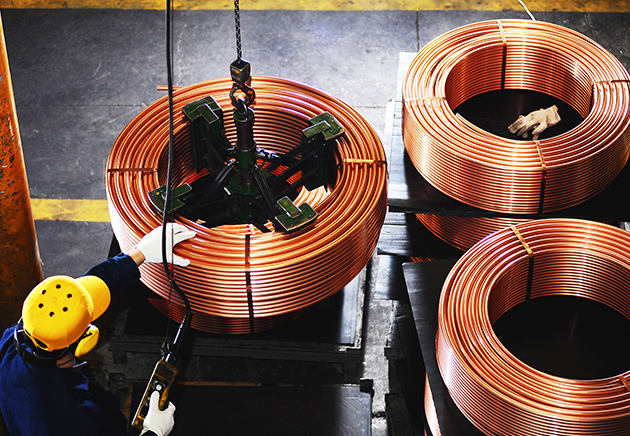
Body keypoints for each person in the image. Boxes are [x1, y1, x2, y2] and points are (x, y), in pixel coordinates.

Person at [0, 223, 196, 436]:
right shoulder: (83, 419)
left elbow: (82, 292)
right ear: (86, 338)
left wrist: (140, 254)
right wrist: (153, 432)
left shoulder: (13, 338)